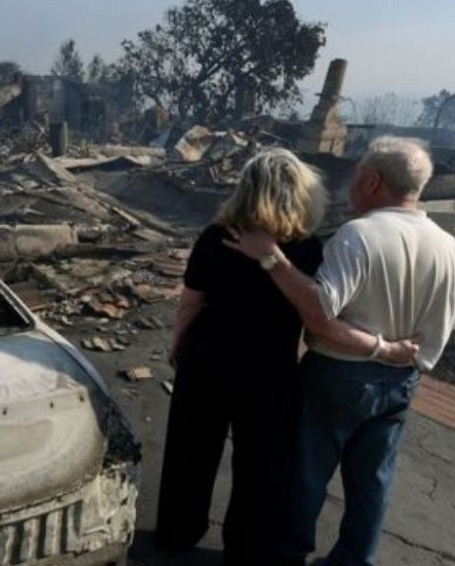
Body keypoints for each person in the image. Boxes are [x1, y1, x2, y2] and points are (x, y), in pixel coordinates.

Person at [155, 148, 416, 566]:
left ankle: (177, 532)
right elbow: (318, 310)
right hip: (269, 368)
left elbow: (190, 303)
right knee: (260, 465)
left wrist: (177, 343)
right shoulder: (308, 249)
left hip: (206, 359)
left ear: (245, 188)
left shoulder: (216, 235)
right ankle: (246, 549)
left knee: (191, 451)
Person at [225, 136, 455, 566]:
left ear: (372, 181)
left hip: (338, 374)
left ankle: (289, 554)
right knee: (372, 482)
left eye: (356, 176)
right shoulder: (448, 246)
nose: (349, 185)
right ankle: (354, 560)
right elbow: (447, 324)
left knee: (307, 473)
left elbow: (320, 313)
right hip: (402, 380)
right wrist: (400, 353)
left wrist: (272, 259)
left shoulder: (359, 236)